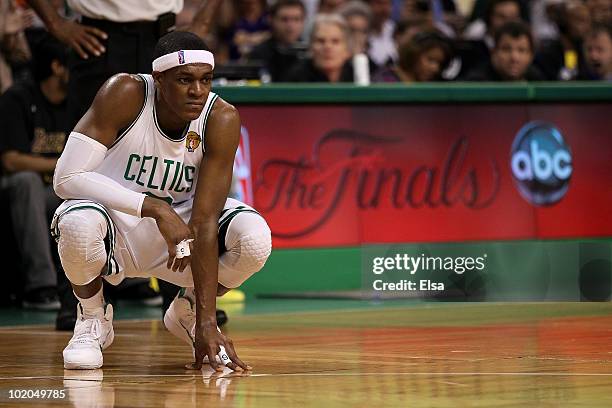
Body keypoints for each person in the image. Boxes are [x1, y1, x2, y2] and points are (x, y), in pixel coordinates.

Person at [52, 30, 272, 370]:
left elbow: (205, 220)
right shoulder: (126, 93)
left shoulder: (220, 118)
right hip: (114, 223)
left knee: (254, 238)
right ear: (159, 78)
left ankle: (186, 313)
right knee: (77, 223)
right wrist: (154, 207)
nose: (197, 91)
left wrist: (207, 321)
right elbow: (64, 178)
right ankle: (92, 317)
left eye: (205, 80)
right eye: (184, 80)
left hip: (180, 234)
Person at [28, 0, 223, 330]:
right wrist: (55, 22)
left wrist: (206, 17)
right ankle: (81, 303)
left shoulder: (222, 114)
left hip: (165, 34)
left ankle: (184, 301)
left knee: (174, 170)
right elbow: (70, 176)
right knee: (84, 171)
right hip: (98, 38)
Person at [0, 35, 68, 309]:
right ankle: (41, 286)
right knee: (26, 182)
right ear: (56, 67)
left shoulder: (78, 102)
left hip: (52, 192)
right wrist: (63, 164)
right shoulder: (18, 99)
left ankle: (122, 282)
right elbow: (11, 161)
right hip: (14, 190)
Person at [247, 0, 307, 82]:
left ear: (303, 22)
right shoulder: (258, 54)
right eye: (284, 19)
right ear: (271, 20)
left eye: (296, 19)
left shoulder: (310, 53)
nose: (290, 26)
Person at [463, 21, 543, 81]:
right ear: (493, 52)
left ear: (531, 56)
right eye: (506, 49)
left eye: (521, 50)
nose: (514, 58)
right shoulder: (476, 82)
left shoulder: (537, 81)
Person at [284, 13, 353, 82]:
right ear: (310, 47)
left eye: (335, 41)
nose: (327, 47)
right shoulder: (295, 78)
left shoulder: (357, 74)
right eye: (320, 41)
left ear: (347, 50)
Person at [373, 30, 452, 82]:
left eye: (439, 63)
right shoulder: (385, 80)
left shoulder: (431, 85)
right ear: (413, 54)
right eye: (430, 60)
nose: (435, 68)